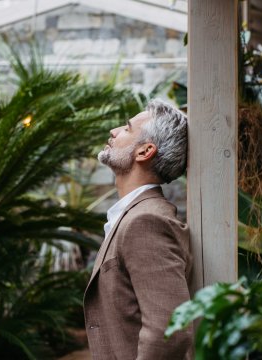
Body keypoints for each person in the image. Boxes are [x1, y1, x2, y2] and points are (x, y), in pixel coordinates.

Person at [83, 99, 193, 359]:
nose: (114, 131)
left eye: (127, 128)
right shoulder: (134, 216)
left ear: (145, 151)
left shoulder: (145, 222)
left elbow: (169, 331)